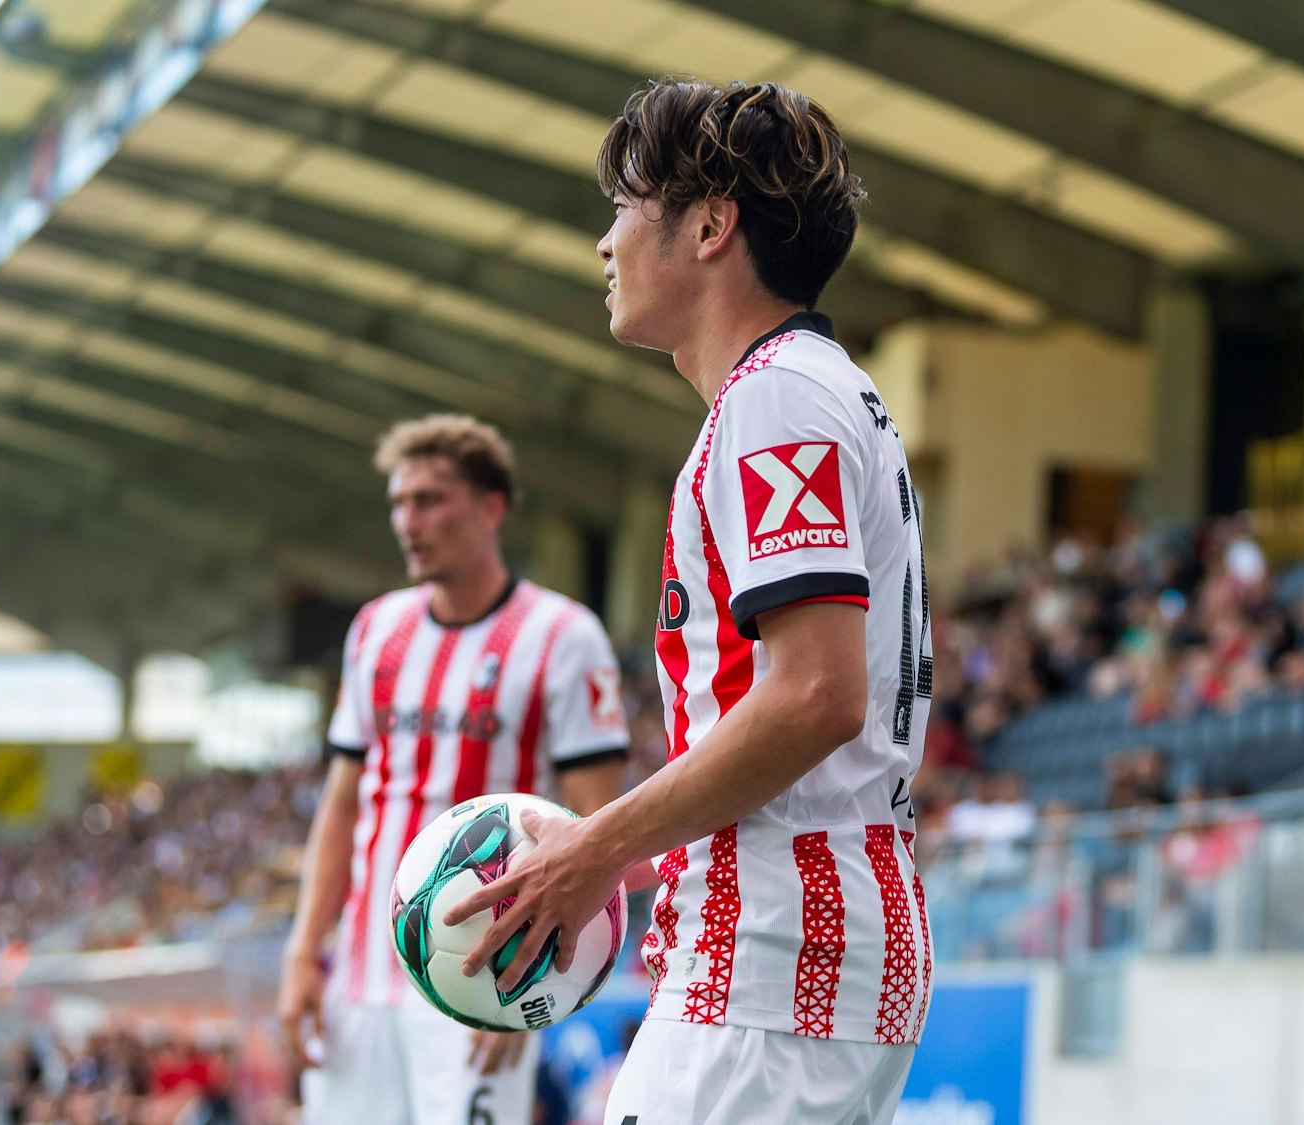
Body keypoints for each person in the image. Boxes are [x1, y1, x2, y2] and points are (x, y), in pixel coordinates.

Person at [442, 78, 932, 1124]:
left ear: (710, 226)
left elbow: (814, 697)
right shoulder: (806, 389)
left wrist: (595, 848)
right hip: (789, 962)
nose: (603, 245)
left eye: (623, 208)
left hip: (773, 969)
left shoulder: (778, 396)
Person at [278, 415, 630, 1125]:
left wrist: (531, 990)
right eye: (399, 503)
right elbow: (344, 806)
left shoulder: (562, 635)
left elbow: (599, 829)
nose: (408, 521)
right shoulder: (375, 628)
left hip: (479, 980)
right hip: (359, 980)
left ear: (491, 507)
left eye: (430, 499)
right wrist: (301, 953)